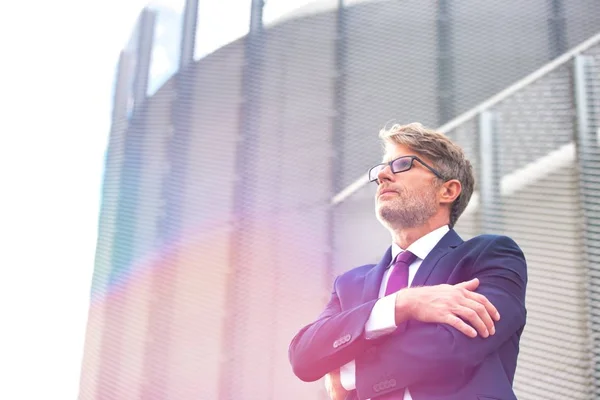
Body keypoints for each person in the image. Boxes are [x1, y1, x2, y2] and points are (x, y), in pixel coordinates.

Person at [288, 123, 527, 400]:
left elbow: (456, 345)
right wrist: (402, 304)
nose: (382, 175)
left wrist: (349, 373)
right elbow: (303, 356)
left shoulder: (490, 256)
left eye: (402, 164)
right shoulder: (349, 284)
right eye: (381, 169)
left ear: (448, 191)